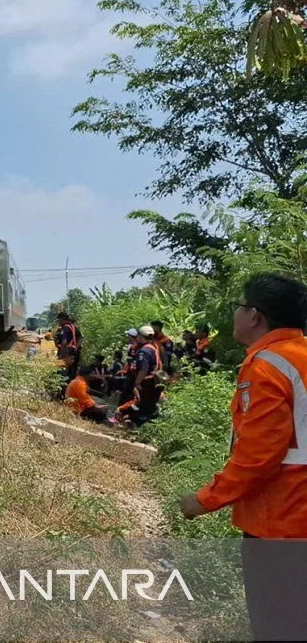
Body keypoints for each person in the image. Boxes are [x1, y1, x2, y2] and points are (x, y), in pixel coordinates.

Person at [180, 273, 307, 642]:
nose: (234, 314)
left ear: (254, 315)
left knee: (279, 626)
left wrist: (204, 500)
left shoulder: (267, 366)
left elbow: (259, 455)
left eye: (238, 306)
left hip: (282, 521)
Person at [116, 325, 163, 426]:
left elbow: (143, 369)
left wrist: (137, 383)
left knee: (139, 403)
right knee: (147, 406)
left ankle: (126, 417)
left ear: (142, 336)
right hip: (154, 382)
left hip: (147, 382)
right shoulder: (154, 347)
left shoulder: (144, 351)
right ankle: (137, 423)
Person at [54, 311, 81, 379]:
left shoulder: (65, 328)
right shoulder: (74, 327)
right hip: (75, 352)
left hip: (67, 352)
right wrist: (75, 348)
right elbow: (81, 337)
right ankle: (71, 384)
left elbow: (64, 342)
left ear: (62, 319)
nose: (59, 321)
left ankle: (63, 385)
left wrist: (62, 353)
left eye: (59, 319)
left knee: (61, 369)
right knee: (72, 371)